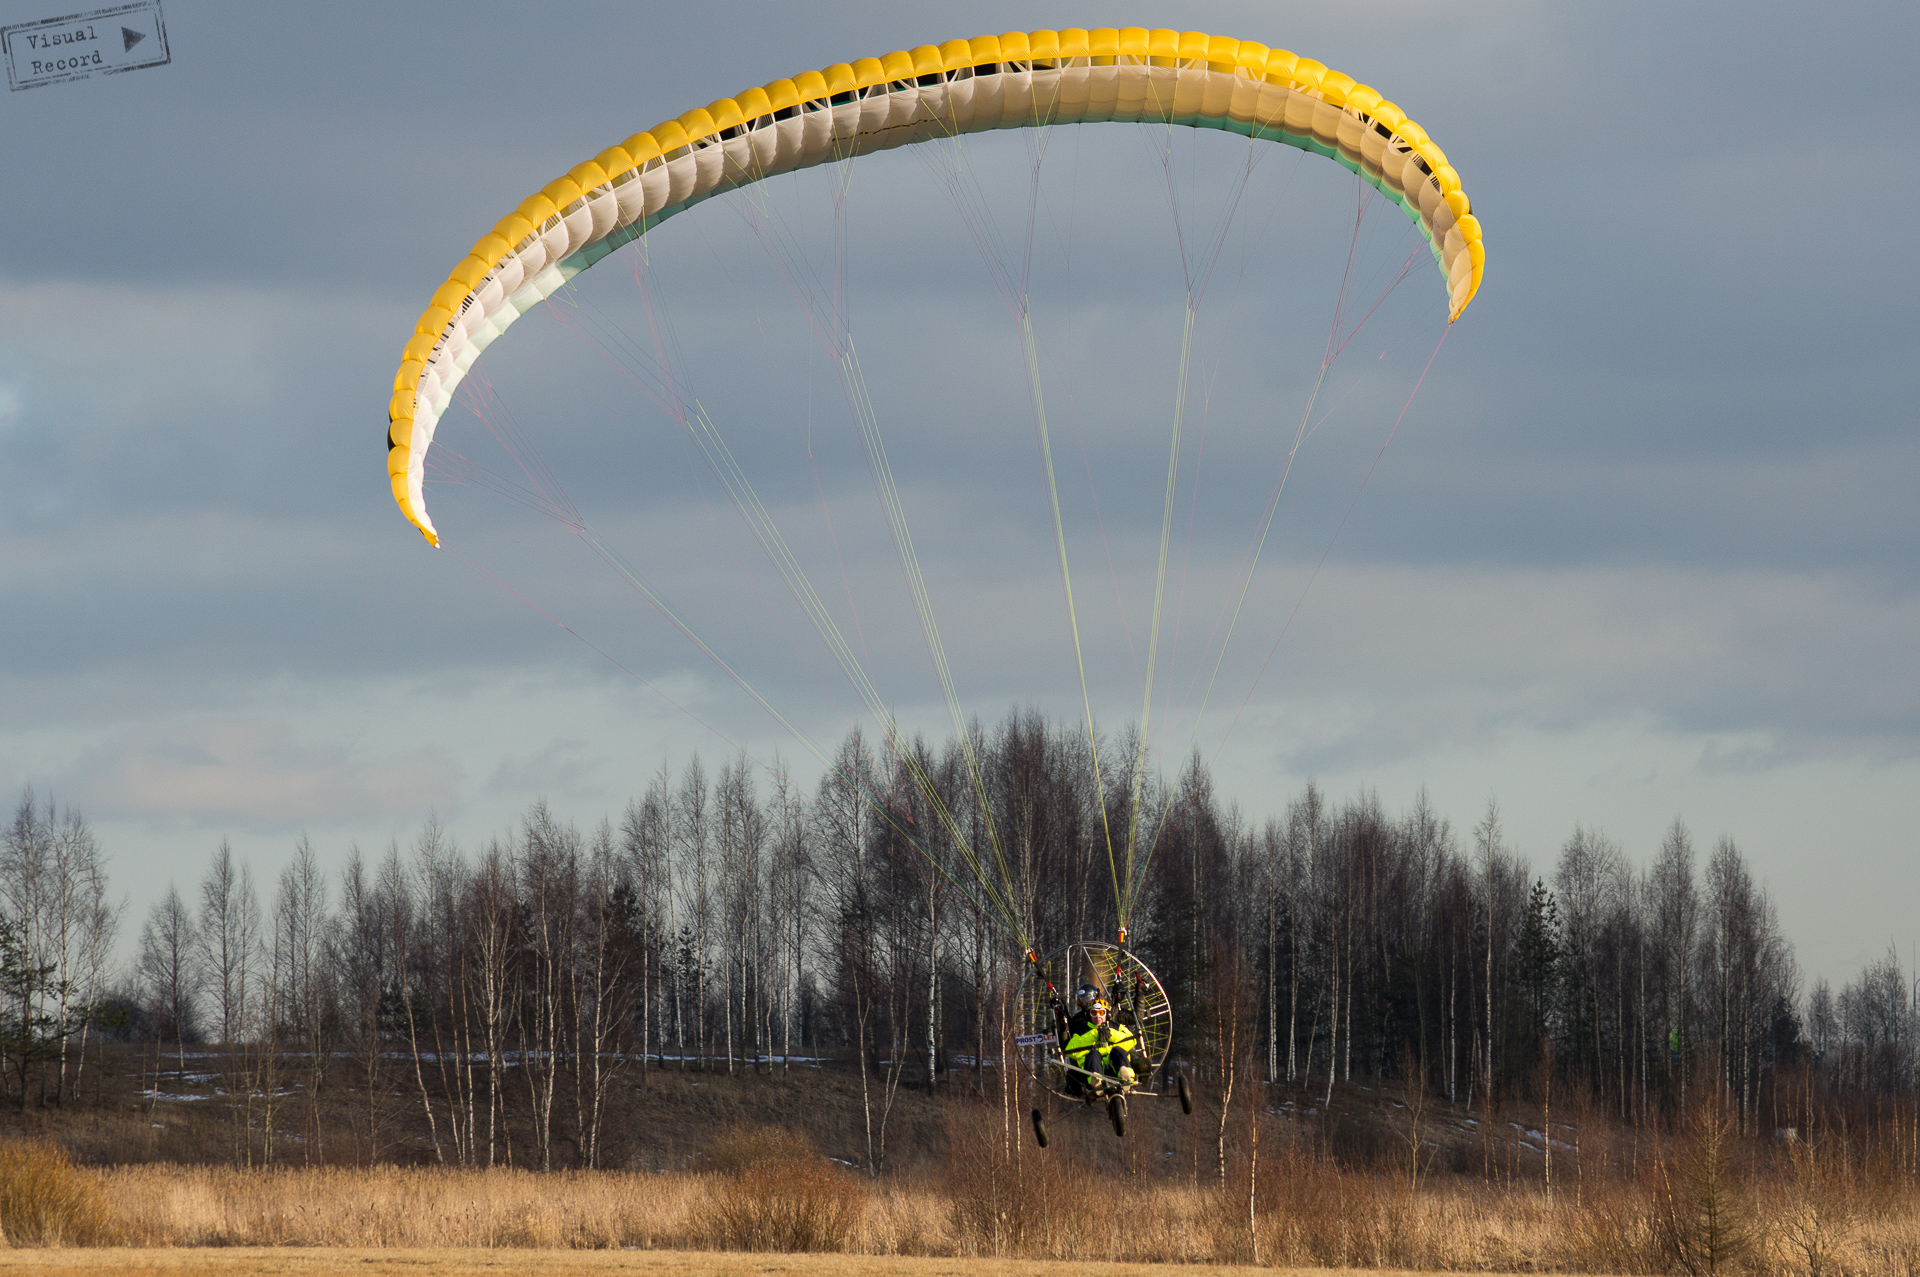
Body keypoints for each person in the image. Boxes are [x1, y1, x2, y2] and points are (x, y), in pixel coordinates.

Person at [1059, 984, 1140, 1090]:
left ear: (1106, 1014)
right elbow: (1071, 1050)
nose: (1098, 1016)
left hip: (1112, 1062)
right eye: (1094, 1013)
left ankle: (1125, 1075)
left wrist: (1111, 1034)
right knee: (1093, 1054)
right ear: (1089, 1015)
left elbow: (1131, 1040)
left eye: (1101, 1013)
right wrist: (1094, 1035)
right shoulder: (1082, 1030)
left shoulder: (1115, 1026)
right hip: (1095, 1065)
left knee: (1118, 1051)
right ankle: (1095, 1080)